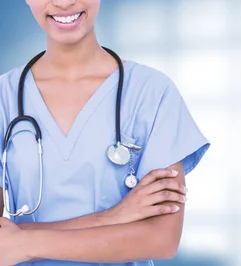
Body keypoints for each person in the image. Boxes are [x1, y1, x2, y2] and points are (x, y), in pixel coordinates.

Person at [0, 0, 210, 265]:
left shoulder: (152, 93)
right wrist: (111, 217)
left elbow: (162, 239)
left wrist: (24, 241)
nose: (63, 2)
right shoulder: (4, 98)